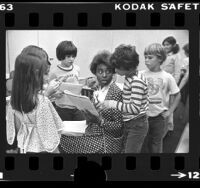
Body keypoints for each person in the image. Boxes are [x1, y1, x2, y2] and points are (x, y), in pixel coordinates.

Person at [58, 50, 124, 153]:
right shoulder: (97, 90)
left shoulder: (116, 92)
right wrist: (87, 114)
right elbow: (93, 118)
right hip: (93, 133)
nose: (104, 75)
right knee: (59, 136)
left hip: (106, 141)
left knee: (62, 141)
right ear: (95, 72)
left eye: (108, 71)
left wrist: (99, 121)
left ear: (113, 72)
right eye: (100, 71)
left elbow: (119, 127)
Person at [6, 45, 64, 153]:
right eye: (46, 73)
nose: (48, 78)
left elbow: (20, 130)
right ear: (35, 73)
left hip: (25, 148)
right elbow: (51, 143)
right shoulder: (41, 102)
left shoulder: (14, 100)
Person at [102, 44, 149, 153]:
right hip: (131, 122)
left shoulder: (137, 81)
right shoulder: (130, 76)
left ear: (128, 67)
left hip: (136, 124)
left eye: (117, 67)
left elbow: (135, 108)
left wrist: (112, 103)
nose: (115, 70)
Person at [141, 43, 181, 153]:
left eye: (150, 57)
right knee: (142, 144)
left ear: (160, 58)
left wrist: (170, 112)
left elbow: (177, 95)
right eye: (145, 57)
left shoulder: (167, 77)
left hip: (158, 118)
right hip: (142, 117)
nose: (146, 60)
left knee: (156, 144)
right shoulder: (141, 75)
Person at [49, 40, 84, 121]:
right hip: (62, 108)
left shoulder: (77, 68)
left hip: (77, 106)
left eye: (73, 56)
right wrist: (55, 94)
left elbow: (77, 84)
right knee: (65, 132)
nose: (71, 59)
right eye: (68, 56)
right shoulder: (54, 72)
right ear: (61, 56)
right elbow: (49, 91)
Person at [162, 36, 182, 133]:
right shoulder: (164, 54)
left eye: (167, 44)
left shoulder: (176, 56)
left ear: (173, 45)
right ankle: (163, 127)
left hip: (171, 84)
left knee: (170, 106)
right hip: (162, 84)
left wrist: (174, 87)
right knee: (163, 106)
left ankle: (169, 127)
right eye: (164, 44)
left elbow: (178, 73)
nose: (165, 46)